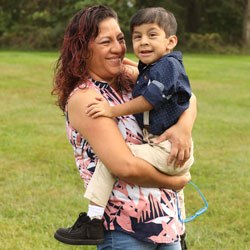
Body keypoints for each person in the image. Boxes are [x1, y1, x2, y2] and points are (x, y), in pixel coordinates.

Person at [52, 5, 197, 250]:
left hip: (166, 222)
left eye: (120, 39)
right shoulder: (86, 98)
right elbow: (125, 166)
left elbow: (188, 96)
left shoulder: (130, 77)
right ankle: (90, 220)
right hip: (124, 229)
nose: (118, 48)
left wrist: (183, 127)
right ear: (83, 49)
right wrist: (175, 182)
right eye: (106, 42)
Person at [84, 7, 193, 228]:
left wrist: (112, 110)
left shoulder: (168, 65)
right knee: (177, 193)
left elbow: (151, 99)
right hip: (168, 148)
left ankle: (92, 219)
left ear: (171, 42)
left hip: (164, 147)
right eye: (137, 36)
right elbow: (147, 74)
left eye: (152, 35)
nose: (143, 42)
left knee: (114, 160)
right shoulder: (155, 66)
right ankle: (180, 231)